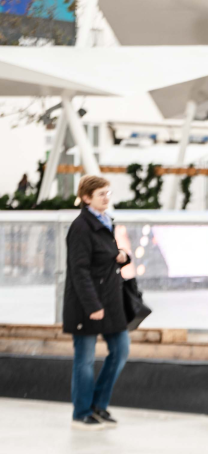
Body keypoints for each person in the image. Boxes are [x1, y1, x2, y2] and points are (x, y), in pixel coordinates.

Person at [63, 176, 133, 429]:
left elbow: (106, 256)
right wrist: (92, 306)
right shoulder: (81, 227)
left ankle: (98, 406)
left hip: (110, 301)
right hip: (87, 304)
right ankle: (81, 413)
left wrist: (123, 257)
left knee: (121, 350)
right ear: (86, 198)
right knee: (84, 359)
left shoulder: (105, 222)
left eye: (108, 192)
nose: (106, 197)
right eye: (101, 194)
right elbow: (78, 270)